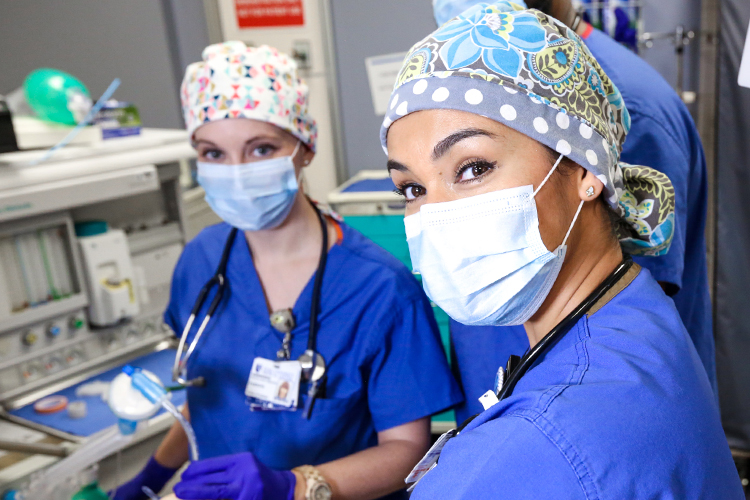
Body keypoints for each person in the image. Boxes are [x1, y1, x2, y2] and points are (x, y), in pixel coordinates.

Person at [381, 3, 742, 497]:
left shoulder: (532, 449)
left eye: (473, 168)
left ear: (585, 169)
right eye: (412, 189)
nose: (435, 217)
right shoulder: (633, 317)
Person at [112, 42, 462, 500]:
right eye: (213, 153)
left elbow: (406, 454)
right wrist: (152, 476)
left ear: (304, 148)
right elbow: (207, 400)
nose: (236, 173)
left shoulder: (380, 290)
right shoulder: (201, 260)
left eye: (260, 148)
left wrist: (292, 485)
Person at [434, 0, 716, 423]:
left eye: (477, 169)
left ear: (588, 172)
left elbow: (620, 328)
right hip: (509, 402)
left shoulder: (618, 108)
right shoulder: (481, 72)